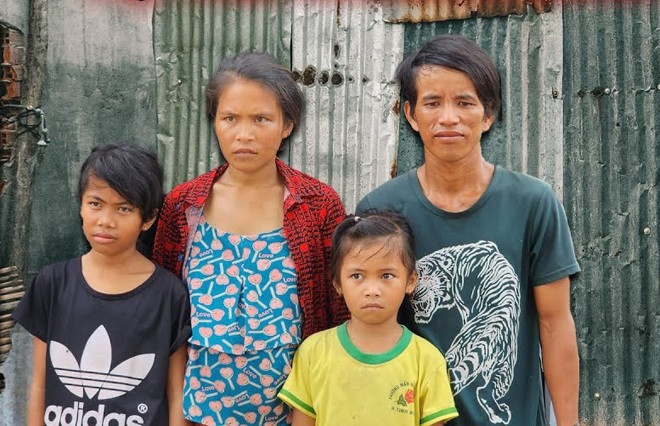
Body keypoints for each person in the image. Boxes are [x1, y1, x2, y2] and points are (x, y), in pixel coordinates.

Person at [357, 35, 581, 425]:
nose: (448, 118)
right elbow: (371, 328)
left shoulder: (532, 202)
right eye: (432, 103)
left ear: (488, 114)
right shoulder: (382, 210)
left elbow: (555, 323)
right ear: (411, 114)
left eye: (464, 102)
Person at [153, 52, 350, 425]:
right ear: (215, 121)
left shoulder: (317, 205)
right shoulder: (184, 206)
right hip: (197, 414)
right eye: (230, 118)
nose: (244, 134)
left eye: (261, 119)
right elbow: (164, 317)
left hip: (293, 416)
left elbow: (338, 315)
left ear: (287, 125)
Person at [13, 143, 191, 426]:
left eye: (124, 208)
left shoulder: (169, 295)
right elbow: (39, 385)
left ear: (148, 218)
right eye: (95, 204)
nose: (106, 221)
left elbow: (177, 396)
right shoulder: (52, 284)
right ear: (81, 205)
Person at [278, 212, 459, 426]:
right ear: (337, 283)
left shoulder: (427, 361)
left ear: (410, 281)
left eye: (386, 276)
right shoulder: (313, 353)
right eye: (357, 276)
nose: (372, 290)